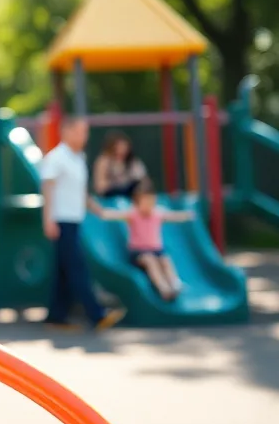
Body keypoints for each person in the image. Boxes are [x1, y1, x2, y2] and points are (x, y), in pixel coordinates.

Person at [40, 117, 127, 332]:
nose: (83, 137)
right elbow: (48, 189)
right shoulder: (56, 158)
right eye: (79, 132)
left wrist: (98, 210)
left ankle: (56, 316)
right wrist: (48, 219)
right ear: (66, 131)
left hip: (74, 220)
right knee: (78, 268)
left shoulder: (78, 159)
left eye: (85, 132)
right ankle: (96, 315)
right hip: (62, 221)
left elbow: (81, 193)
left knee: (63, 271)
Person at [90, 183, 193, 301]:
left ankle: (175, 283)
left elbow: (172, 216)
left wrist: (186, 215)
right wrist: (99, 211)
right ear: (137, 202)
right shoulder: (133, 214)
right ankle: (164, 289)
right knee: (151, 261)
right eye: (145, 202)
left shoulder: (157, 213)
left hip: (156, 249)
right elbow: (112, 215)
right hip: (139, 252)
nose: (149, 206)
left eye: (151, 202)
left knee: (165, 259)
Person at [93, 131, 149, 199]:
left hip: (131, 197)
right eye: (118, 147)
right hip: (110, 198)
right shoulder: (104, 161)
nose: (122, 150)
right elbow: (100, 186)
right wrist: (116, 184)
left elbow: (144, 181)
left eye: (124, 147)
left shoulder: (133, 161)